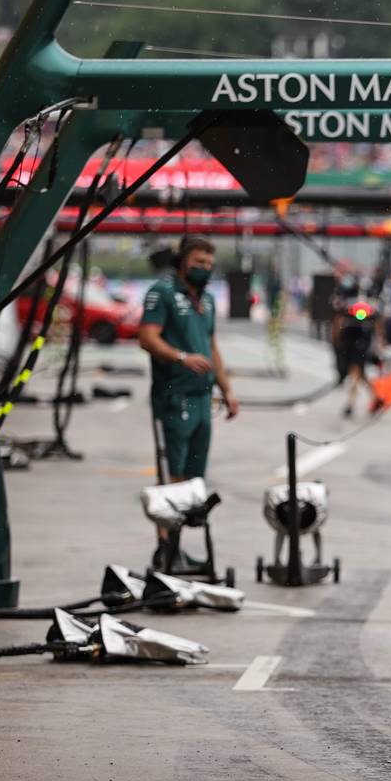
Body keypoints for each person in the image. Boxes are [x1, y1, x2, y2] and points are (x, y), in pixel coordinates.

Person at [139, 236, 239, 564]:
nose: (204, 269)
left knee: (195, 477)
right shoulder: (162, 292)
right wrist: (181, 357)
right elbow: (147, 337)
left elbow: (212, 347)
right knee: (173, 473)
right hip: (173, 395)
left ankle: (177, 547)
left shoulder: (207, 300)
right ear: (182, 261)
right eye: (198, 263)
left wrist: (227, 390)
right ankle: (165, 549)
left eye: (209, 264)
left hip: (202, 397)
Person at [331, 274, 383, 418]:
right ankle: (377, 397)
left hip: (361, 337)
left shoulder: (370, 300)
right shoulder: (343, 296)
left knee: (356, 369)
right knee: (359, 372)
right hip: (348, 337)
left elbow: (377, 320)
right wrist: (336, 339)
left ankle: (350, 404)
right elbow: (337, 318)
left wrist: (379, 342)